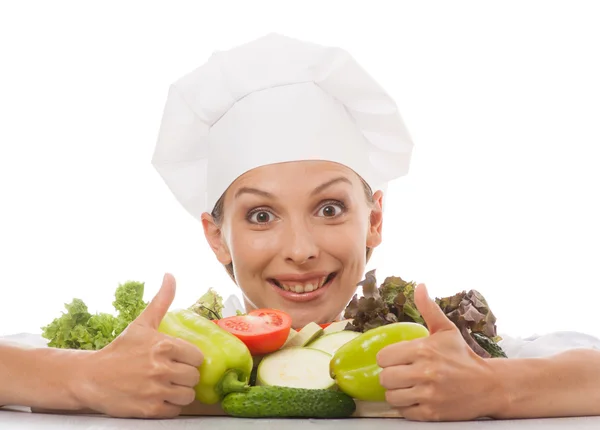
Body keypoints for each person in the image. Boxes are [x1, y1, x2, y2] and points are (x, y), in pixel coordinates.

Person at [1, 33, 600, 422]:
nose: (301, 250)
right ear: (216, 236)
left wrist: (499, 388)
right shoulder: (170, 355)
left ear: (377, 218)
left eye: (331, 208)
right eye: (261, 215)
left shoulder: (430, 354)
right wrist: (84, 378)